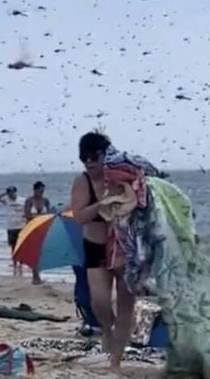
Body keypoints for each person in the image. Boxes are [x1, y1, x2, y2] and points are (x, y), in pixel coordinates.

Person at [70, 131, 135, 370]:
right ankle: (108, 329)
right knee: (99, 301)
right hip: (95, 244)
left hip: (124, 246)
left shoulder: (121, 176)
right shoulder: (83, 181)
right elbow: (79, 216)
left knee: (127, 302)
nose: (89, 162)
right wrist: (105, 202)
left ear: (105, 155)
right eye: (84, 157)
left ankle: (116, 361)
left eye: (94, 156)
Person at [0, 186, 26, 276]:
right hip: (11, 227)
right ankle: (15, 263)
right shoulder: (7, 200)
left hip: (21, 226)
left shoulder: (22, 200)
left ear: (15, 192)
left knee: (20, 246)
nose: (10, 194)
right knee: (13, 246)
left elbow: (28, 208)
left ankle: (21, 263)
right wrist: (5, 193)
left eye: (11, 192)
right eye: (9, 193)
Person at [25, 181, 50, 285]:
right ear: (34, 190)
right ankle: (35, 276)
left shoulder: (46, 201)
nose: (41, 193)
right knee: (34, 253)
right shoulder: (29, 201)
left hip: (43, 229)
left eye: (42, 191)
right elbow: (27, 214)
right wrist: (38, 218)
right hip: (32, 229)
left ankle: (38, 274)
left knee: (41, 253)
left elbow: (49, 214)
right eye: (39, 191)